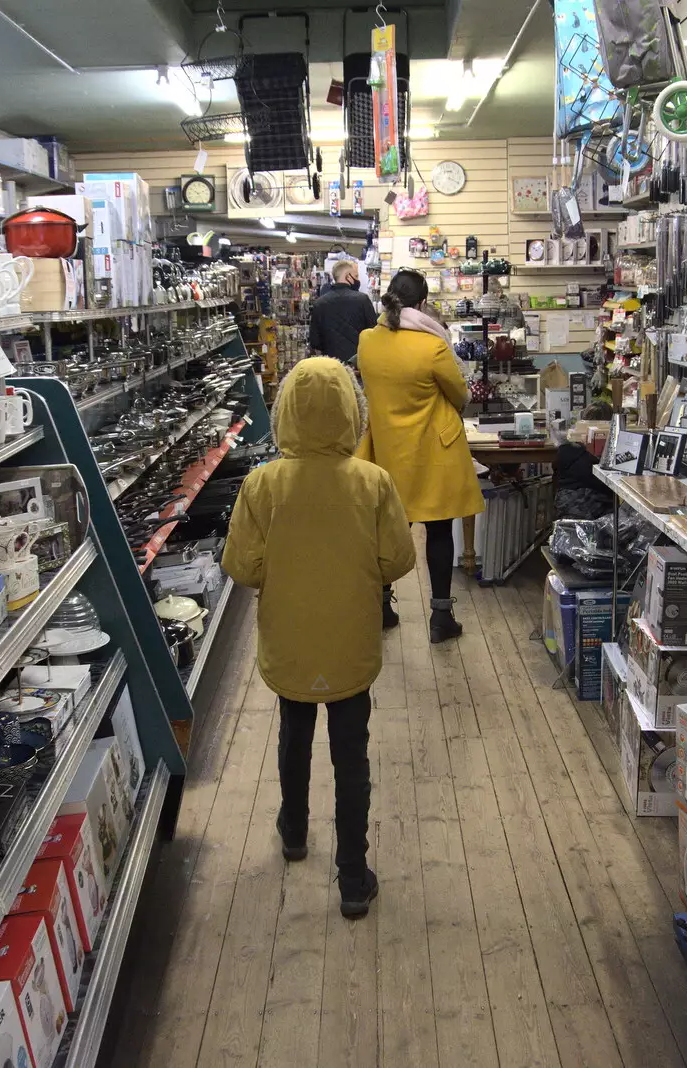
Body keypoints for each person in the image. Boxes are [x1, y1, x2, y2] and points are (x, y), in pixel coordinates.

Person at [221, 357, 415, 918]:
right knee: (351, 753)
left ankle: (294, 831)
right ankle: (353, 876)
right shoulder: (372, 482)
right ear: (351, 411)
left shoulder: (263, 484)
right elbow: (396, 559)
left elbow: (242, 565)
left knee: (294, 731)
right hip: (351, 639)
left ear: (284, 413)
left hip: (290, 638)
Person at [356, 268, 486, 643]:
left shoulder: (367, 341)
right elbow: (461, 395)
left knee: (386, 532)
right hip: (433, 454)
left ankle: (382, 607)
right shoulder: (433, 346)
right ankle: (441, 618)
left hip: (386, 451)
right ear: (423, 303)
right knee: (440, 531)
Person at [306, 260, 377, 363]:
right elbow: (373, 333)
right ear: (348, 276)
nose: (358, 280)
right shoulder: (363, 300)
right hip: (357, 364)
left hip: (330, 365)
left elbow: (315, 341)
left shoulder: (319, 303)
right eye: (356, 276)